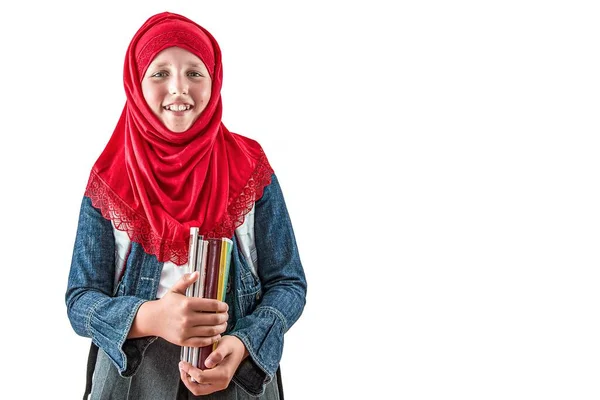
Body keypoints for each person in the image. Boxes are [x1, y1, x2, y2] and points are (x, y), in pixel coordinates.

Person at [65, 11, 307, 400]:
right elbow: (80, 299)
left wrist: (244, 344)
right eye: (159, 73)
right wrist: (150, 317)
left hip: (234, 375)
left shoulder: (250, 166)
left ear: (215, 80)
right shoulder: (110, 177)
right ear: (135, 83)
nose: (179, 89)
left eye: (194, 73)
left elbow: (288, 283)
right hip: (132, 382)